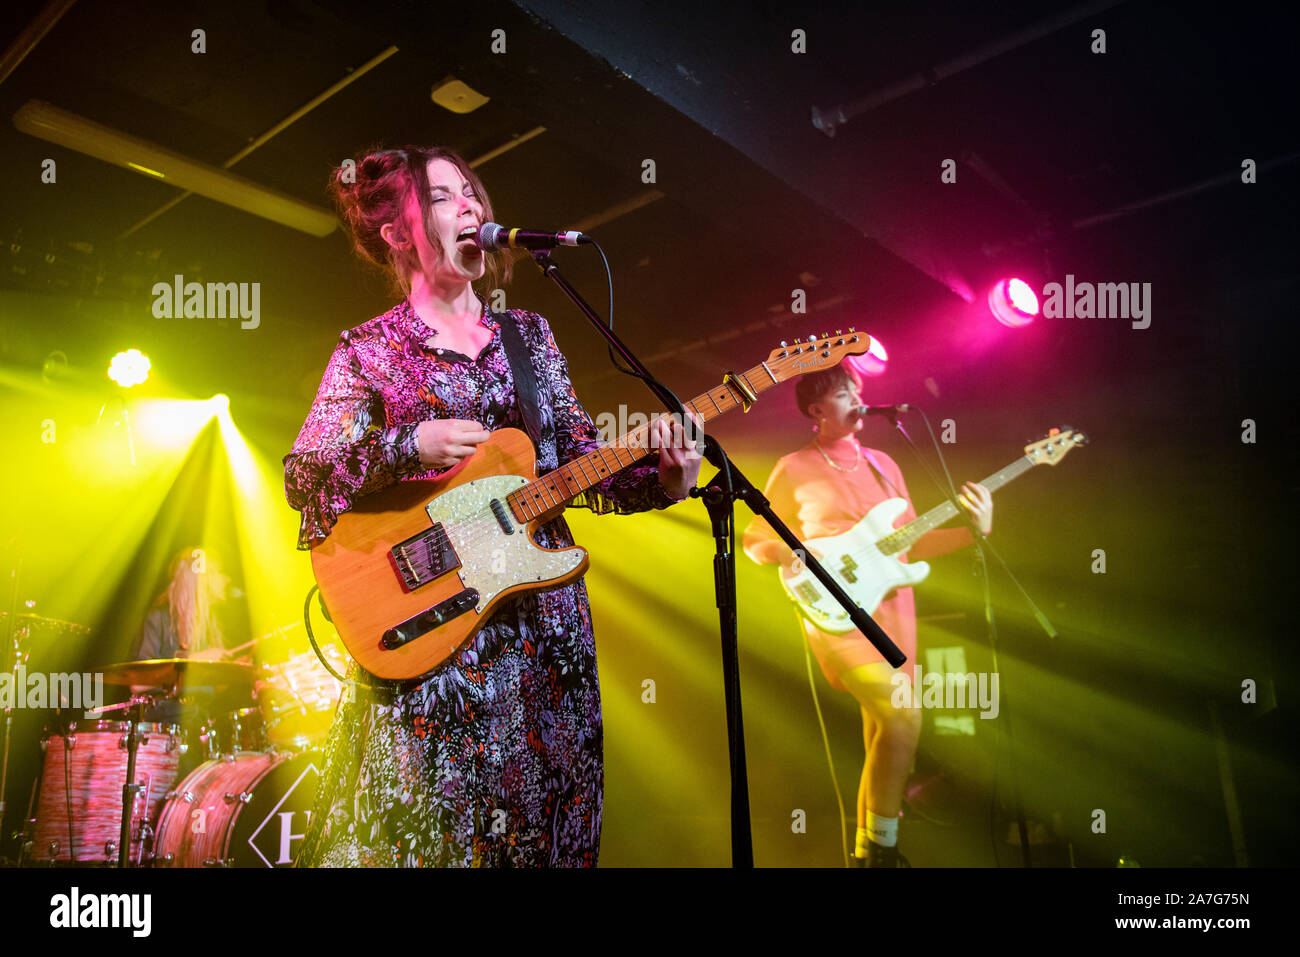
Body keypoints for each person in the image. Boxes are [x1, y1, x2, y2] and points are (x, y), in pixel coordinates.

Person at [284, 146, 703, 867]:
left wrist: (663, 478)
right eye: (445, 197)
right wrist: (405, 443)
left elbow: (580, 464)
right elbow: (307, 478)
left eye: (472, 194)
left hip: (543, 641)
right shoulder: (368, 352)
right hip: (429, 643)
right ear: (396, 233)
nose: (472, 207)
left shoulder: (529, 337)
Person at [742, 365, 993, 867]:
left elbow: (913, 542)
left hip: (893, 608)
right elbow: (753, 539)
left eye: (858, 390)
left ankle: (865, 853)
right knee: (903, 715)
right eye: (842, 393)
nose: (857, 399)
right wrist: (784, 554)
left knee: (886, 730)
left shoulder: (884, 465)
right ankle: (882, 849)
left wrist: (975, 532)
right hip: (836, 612)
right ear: (816, 410)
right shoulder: (793, 467)